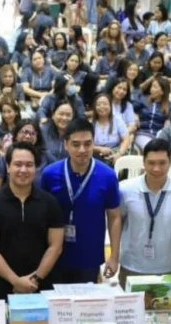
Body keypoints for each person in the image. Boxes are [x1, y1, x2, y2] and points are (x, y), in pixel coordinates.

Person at [0, 142, 66, 300]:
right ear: (8, 167)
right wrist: (15, 281)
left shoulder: (50, 202)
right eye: (18, 164)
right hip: (1, 285)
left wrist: (36, 278)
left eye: (29, 165)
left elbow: (55, 246)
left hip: (42, 285)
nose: (23, 170)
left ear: (36, 168)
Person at [39, 119, 121, 285]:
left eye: (87, 144)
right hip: (54, 255)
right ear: (66, 144)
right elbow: (41, 216)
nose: (82, 150)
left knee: (85, 307)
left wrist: (114, 256)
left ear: (94, 144)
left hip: (89, 254)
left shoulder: (108, 176)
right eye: (76, 144)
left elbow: (114, 217)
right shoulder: (50, 174)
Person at [115, 140, 171, 286]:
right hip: (131, 264)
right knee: (128, 309)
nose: (156, 168)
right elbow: (119, 220)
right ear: (143, 162)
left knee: (161, 307)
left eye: (162, 163)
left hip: (165, 266)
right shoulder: (125, 189)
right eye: (151, 163)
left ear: (170, 162)